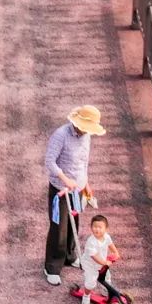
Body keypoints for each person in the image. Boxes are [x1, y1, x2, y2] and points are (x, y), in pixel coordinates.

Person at [43, 105, 105, 284]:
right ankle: (52, 266)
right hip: (61, 188)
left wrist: (86, 183)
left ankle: (70, 256)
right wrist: (64, 178)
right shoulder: (61, 135)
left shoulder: (86, 137)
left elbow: (83, 162)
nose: (88, 132)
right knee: (59, 226)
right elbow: (49, 161)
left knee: (73, 223)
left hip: (77, 188)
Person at [79, 212, 122, 304]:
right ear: (91, 228)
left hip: (102, 262)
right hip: (90, 264)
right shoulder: (91, 242)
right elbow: (95, 257)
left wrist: (116, 253)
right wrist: (105, 263)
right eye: (94, 226)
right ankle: (86, 297)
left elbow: (111, 245)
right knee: (91, 282)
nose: (97, 229)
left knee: (107, 277)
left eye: (100, 227)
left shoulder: (106, 236)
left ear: (106, 229)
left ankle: (105, 290)